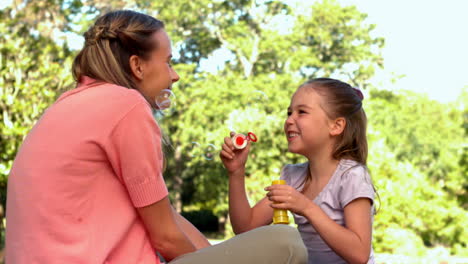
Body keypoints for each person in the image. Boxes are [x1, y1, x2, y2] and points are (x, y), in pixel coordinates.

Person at [5, 10, 307, 264]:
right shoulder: (126, 104)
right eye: (169, 62)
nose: (174, 75)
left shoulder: (65, 105)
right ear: (137, 66)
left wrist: (216, 256)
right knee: (287, 241)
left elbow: (167, 217)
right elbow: (166, 237)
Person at [221, 78, 376, 264]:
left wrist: (306, 207)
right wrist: (236, 172)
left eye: (301, 112)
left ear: (336, 126)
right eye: (289, 113)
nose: (288, 120)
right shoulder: (294, 177)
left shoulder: (352, 176)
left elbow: (359, 254)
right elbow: (245, 228)